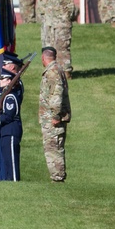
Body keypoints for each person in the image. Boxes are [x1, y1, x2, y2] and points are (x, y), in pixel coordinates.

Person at [38, 46, 71, 182]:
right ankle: (57, 177)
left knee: (53, 149)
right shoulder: (57, 70)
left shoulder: (52, 72)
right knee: (54, 147)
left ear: (43, 58)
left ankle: (57, 178)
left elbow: (56, 95)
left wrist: (56, 116)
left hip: (52, 118)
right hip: (52, 117)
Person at [45, 0, 77, 77]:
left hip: (62, 26)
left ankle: (66, 73)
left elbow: (70, 11)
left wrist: (60, 21)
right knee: (54, 49)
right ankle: (57, 72)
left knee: (62, 50)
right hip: (54, 26)